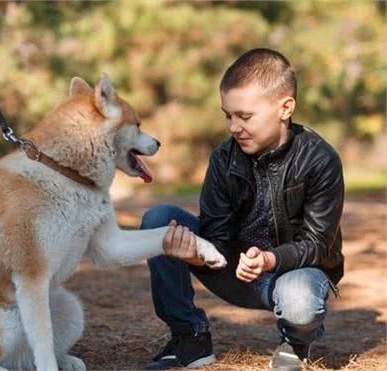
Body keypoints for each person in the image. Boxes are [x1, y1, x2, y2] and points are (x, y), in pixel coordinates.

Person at [143, 48, 344, 371]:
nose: (234, 127)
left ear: (285, 108)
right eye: (227, 115)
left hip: (290, 276)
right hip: (234, 272)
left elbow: (319, 244)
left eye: (245, 116)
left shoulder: (320, 160)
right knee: (157, 220)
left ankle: (295, 342)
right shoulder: (223, 159)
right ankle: (189, 337)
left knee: (300, 300)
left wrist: (269, 259)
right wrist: (196, 253)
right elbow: (217, 239)